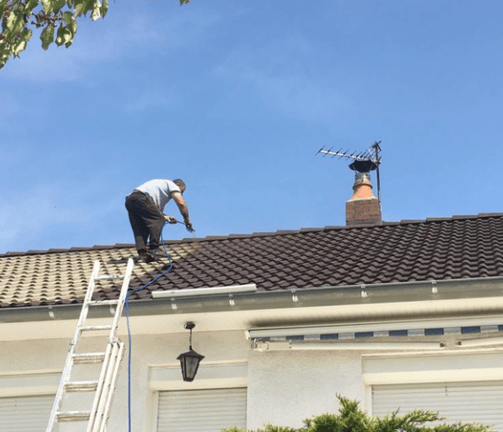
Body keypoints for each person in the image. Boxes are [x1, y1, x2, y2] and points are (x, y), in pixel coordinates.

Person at [125, 179, 194, 262]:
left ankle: (142, 253)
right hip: (141, 198)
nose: (181, 194)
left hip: (130, 200)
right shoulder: (172, 185)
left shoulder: (159, 191)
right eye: (182, 191)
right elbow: (181, 203)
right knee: (158, 220)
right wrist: (186, 219)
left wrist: (166, 217)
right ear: (179, 186)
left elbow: (156, 213)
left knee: (140, 228)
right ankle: (154, 248)